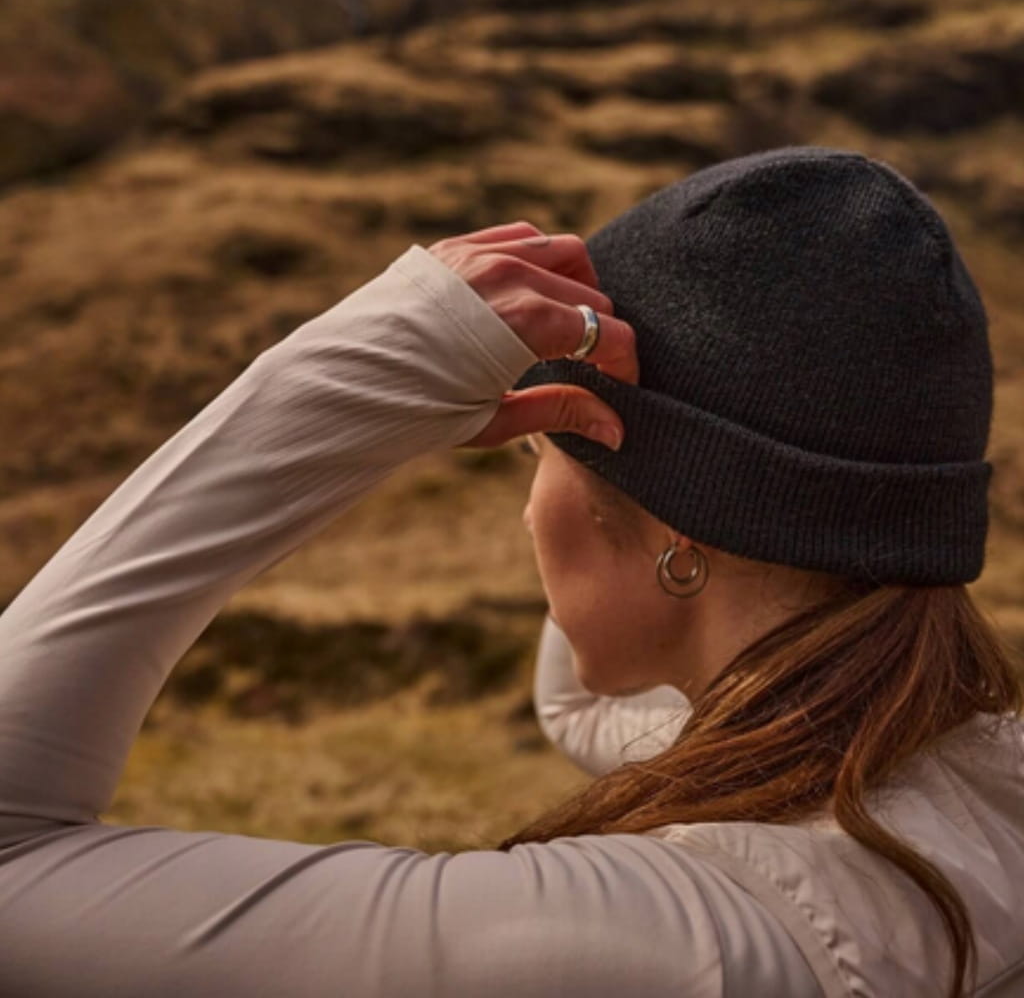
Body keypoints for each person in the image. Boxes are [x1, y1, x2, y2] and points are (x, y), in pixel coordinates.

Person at [0, 145, 1020, 997]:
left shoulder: (651, 948)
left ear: (682, 534)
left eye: (539, 457)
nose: (529, 509)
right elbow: (581, 708)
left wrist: (346, 375)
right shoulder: (975, 787)